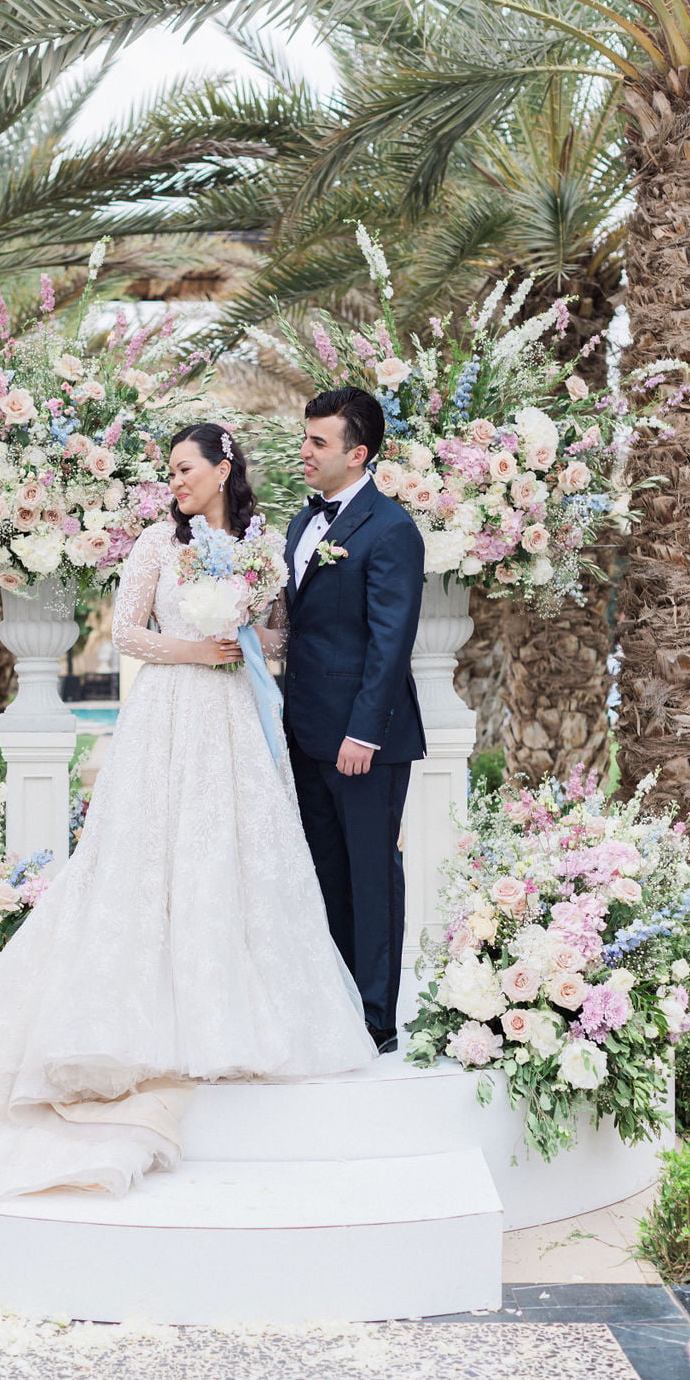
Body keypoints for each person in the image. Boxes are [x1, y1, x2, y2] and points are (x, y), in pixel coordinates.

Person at [0, 422, 374, 1253]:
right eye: (168, 471)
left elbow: (278, 637)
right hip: (166, 713)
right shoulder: (154, 547)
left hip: (234, 720)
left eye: (186, 469)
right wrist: (191, 646)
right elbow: (126, 633)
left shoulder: (260, 549)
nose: (175, 482)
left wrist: (239, 636)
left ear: (223, 470)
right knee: (145, 863)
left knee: (234, 860)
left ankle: (234, 1013)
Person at [283, 387, 426, 1057]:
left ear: (357, 452)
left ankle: (377, 1019)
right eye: (305, 437)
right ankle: (335, 1007)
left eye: (319, 442)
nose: (305, 451)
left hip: (364, 740)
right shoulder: (298, 524)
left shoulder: (392, 529)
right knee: (325, 874)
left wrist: (362, 734)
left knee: (372, 877)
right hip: (306, 731)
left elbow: (389, 642)